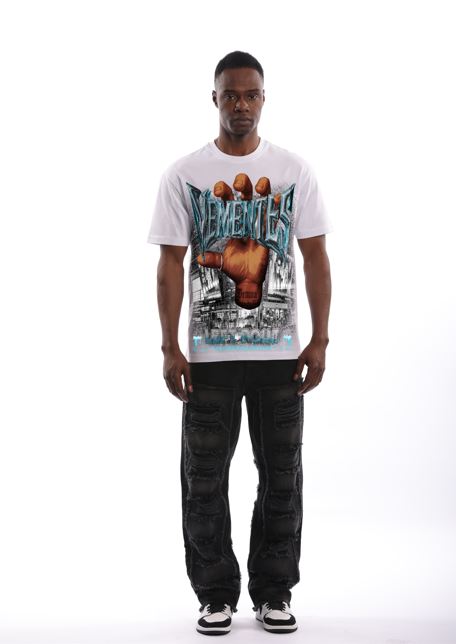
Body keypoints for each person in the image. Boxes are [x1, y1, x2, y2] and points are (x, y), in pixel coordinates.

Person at [146, 50, 333, 636]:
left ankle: (274, 592)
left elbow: (315, 256)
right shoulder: (184, 174)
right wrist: (169, 347)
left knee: (283, 477)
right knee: (204, 480)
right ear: (215, 99)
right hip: (209, 361)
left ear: (264, 99)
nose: (241, 104)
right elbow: (170, 265)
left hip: (280, 357)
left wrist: (320, 339)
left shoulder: (294, 170)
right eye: (230, 94)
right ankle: (215, 595)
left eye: (251, 94)